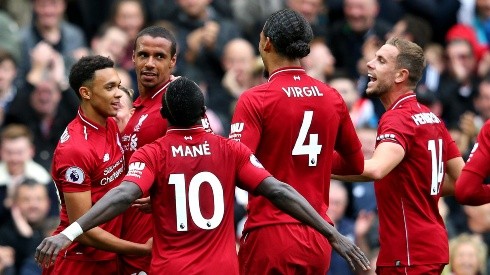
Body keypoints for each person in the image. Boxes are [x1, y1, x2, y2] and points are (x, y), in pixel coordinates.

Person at [34, 77, 371, 274]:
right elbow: (279, 190)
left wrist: (71, 231)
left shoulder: (153, 153)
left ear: (164, 114)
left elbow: (123, 195)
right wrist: (332, 234)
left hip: (172, 269)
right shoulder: (230, 151)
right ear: (202, 113)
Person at [229, 9, 365, 274]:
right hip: (318, 237)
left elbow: (238, 164)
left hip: (270, 233)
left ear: (266, 43)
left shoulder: (256, 98)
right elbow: (356, 163)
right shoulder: (332, 96)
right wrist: (317, 162)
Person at [333, 37, 465, 274]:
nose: (369, 64)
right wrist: (418, 187)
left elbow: (376, 169)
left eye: (381, 60)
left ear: (400, 75)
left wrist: (317, 163)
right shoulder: (431, 118)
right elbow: (460, 181)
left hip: (407, 252)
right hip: (429, 247)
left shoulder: (397, 118)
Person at [43, 55, 150, 275]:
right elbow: (81, 230)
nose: (118, 93)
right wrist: (141, 250)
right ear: (86, 93)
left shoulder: (109, 123)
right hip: (79, 262)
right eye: (110, 87)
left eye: (119, 86)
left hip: (107, 258)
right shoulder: (76, 149)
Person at [118, 25, 179, 274]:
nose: (150, 64)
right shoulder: (135, 108)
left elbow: (201, 164)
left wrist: (163, 199)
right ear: (133, 57)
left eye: (160, 57)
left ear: (172, 61)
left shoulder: (177, 106)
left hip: (155, 243)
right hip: (128, 239)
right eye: (144, 55)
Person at [0, 179, 51, 274]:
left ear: (48, 202)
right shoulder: (5, 234)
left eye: (39, 199)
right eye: (26, 200)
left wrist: (29, 236)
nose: (33, 205)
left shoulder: (56, 229)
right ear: (15, 204)